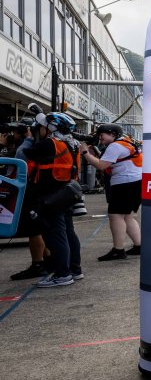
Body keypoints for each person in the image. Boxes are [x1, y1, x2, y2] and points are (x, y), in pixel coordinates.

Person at [24, 112, 83, 287]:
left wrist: (29, 137)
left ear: (51, 128)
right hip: (66, 193)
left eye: (42, 126)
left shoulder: (49, 144)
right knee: (69, 232)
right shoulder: (73, 143)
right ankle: (75, 269)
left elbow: (26, 152)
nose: (39, 129)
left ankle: (63, 274)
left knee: (56, 235)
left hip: (51, 196)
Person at [80, 123, 142, 261]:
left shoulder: (115, 146)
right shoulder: (126, 142)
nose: (99, 138)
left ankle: (118, 250)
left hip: (125, 183)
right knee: (127, 216)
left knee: (116, 216)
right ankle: (139, 246)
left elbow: (101, 165)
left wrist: (85, 152)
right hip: (136, 182)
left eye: (101, 135)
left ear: (112, 134)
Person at [9, 119, 52, 280]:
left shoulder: (27, 148)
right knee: (41, 228)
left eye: (15, 131)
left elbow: (14, 168)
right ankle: (48, 259)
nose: (12, 134)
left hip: (31, 192)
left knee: (34, 230)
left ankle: (38, 264)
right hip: (45, 192)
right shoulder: (46, 144)